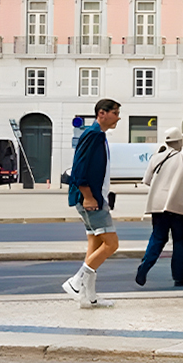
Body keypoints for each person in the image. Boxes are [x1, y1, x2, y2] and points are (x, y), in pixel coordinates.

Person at [63, 99, 122, 308]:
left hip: (95, 197)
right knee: (111, 244)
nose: (118, 117)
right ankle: (76, 282)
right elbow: (79, 169)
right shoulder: (94, 135)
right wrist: (88, 196)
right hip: (91, 199)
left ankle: (89, 297)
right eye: (115, 113)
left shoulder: (98, 135)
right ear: (102, 113)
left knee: (95, 245)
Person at [136, 127, 183, 287]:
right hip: (178, 206)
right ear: (179, 142)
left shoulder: (156, 158)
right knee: (180, 240)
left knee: (158, 237)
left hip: (158, 206)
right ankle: (179, 278)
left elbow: (146, 180)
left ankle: (144, 266)